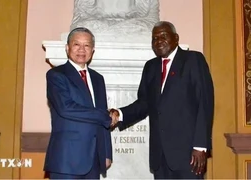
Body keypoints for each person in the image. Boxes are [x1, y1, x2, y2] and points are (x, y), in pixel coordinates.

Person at [110, 21, 214, 179]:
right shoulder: (150, 67)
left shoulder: (193, 60)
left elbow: (204, 104)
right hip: (160, 156)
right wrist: (119, 114)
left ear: (176, 38)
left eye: (163, 36)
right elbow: (144, 103)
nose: (158, 41)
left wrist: (200, 146)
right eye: (154, 38)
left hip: (189, 155)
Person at [44, 27, 113, 179]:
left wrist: (106, 152)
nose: (82, 49)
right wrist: (105, 116)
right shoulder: (56, 75)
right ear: (67, 48)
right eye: (76, 44)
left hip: (94, 159)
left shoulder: (98, 78)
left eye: (87, 45)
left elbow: (102, 120)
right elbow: (66, 108)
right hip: (66, 159)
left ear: (92, 50)